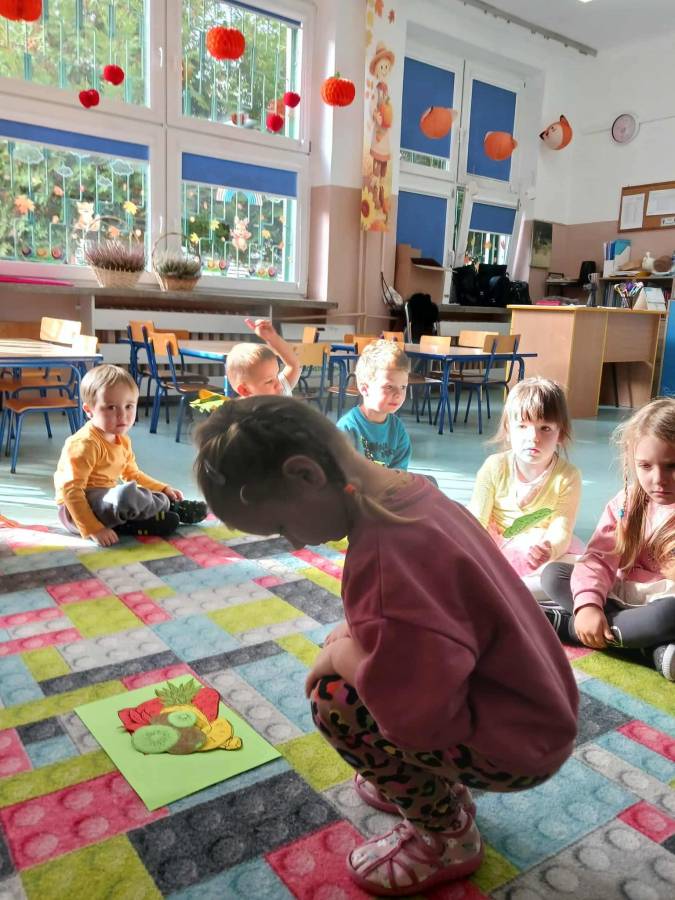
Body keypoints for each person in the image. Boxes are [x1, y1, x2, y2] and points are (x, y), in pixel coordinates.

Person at [193, 396, 578, 896]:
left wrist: (341, 657)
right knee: (353, 648)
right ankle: (430, 780)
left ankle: (445, 835)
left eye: (283, 527)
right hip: (537, 711)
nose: (293, 545)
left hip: (516, 749)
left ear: (306, 475)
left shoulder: (384, 560)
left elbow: (419, 718)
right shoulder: (416, 493)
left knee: (335, 701)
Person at [542, 398, 675, 681]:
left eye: (672, 466)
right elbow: (598, 558)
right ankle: (649, 648)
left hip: (663, 606)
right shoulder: (626, 503)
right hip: (622, 596)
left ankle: (568, 627)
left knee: (669, 614)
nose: (658, 479)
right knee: (554, 574)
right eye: (645, 466)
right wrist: (588, 605)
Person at [54, 365, 206, 546]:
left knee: (133, 493)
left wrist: (162, 488)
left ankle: (145, 520)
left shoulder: (122, 440)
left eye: (129, 406)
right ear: (89, 410)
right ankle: (172, 508)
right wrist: (93, 529)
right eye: (111, 407)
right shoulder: (84, 444)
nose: (122, 415)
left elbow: (132, 474)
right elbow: (71, 491)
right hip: (74, 512)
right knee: (126, 495)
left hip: (104, 505)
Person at [469, 377, 582, 577]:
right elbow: (477, 520)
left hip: (543, 552)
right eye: (522, 426)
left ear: (560, 434)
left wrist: (548, 550)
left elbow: (561, 529)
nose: (533, 438)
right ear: (508, 430)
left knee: (572, 573)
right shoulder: (494, 467)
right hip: (498, 548)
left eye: (545, 428)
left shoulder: (568, 477)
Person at [336, 339, 411, 469]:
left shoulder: (398, 430)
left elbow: (400, 473)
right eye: (389, 387)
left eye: (403, 387)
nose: (398, 394)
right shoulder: (347, 428)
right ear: (365, 389)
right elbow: (340, 474)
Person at [225, 318, 301, 397]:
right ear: (245, 390)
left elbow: (293, 365)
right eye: (269, 381)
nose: (279, 386)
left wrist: (272, 338)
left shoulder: (281, 393)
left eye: (276, 375)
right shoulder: (243, 407)